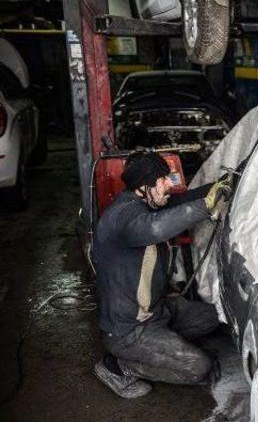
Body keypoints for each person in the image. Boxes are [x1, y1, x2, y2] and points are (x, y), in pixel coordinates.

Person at [93, 152, 230, 399]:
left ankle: (163, 344)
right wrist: (205, 206)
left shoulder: (147, 202)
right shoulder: (123, 217)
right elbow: (155, 228)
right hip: (129, 329)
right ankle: (118, 367)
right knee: (198, 367)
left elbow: (184, 200)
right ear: (145, 186)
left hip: (157, 310)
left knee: (213, 317)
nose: (169, 184)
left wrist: (221, 185)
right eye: (162, 180)